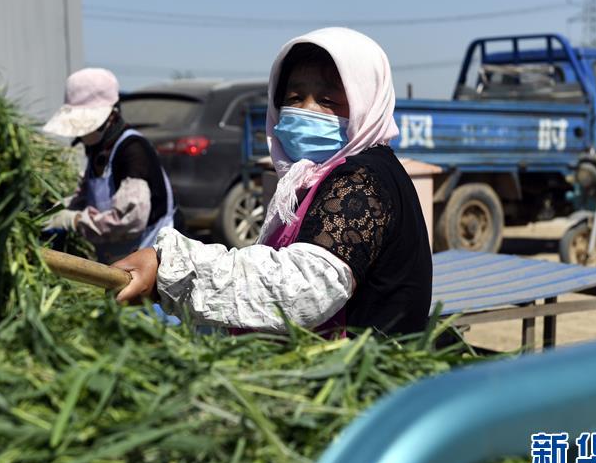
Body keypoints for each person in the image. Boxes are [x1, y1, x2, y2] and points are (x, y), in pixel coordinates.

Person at [112, 28, 432, 336]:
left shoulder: (361, 182)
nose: (306, 111)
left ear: (367, 104)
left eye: (328, 100)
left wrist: (171, 268)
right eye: (294, 97)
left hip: (362, 382)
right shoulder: (319, 178)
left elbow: (301, 289)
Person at [42, 68, 177, 264]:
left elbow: (130, 220)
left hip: (151, 258)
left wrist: (76, 221)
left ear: (111, 117)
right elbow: (87, 195)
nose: (79, 135)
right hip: (119, 258)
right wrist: (60, 209)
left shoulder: (133, 151)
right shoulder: (98, 149)